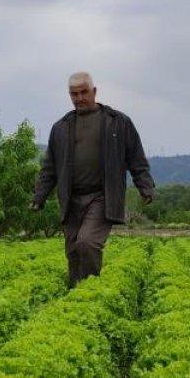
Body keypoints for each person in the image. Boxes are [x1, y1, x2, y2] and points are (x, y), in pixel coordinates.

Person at [31, 72, 155, 287]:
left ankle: (90, 292)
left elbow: (136, 158)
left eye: (83, 92)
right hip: (71, 199)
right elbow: (49, 167)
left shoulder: (118, 122)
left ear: (94, 91)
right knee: (73, 251)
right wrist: (39, 196)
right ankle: (75, 296)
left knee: (87, 243)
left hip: (102, 196)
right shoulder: (60, 127)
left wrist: (145, 187)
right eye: (74, 94)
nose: (79, 98)